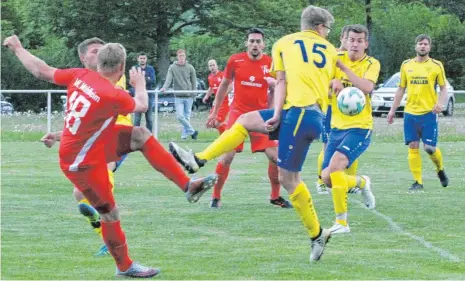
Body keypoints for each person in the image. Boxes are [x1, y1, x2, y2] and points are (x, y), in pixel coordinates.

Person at [4, 35, 217, 278]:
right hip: (82, 164)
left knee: (140, 134)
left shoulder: (79, 75)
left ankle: (188, 186)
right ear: (122, 68)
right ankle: (124, 266)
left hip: (88, 146)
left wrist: (19, 48)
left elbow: (41, 70)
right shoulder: (112, 94)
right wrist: (139, 84)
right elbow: (142, 105)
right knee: (110, 214)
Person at [170, 5, 337, 261]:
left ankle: (317, 234)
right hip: (307, 113)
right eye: (327, 28)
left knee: (289, 179)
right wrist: (279, 112)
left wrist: (277, 111)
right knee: (245, 121)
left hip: (299, 113)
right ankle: (198, 159)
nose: (327, 33)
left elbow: (281, 82)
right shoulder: (331, 49)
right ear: (319, 27)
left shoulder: (283, 43)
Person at [170, 28, 291, 209]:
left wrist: (274, 112)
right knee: (227, 157)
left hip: (261, 115)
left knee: (275, 157)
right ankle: (216, 197)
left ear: (264, 44)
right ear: (246, 43)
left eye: (258, 41)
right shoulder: (236, 60)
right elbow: (224, 86)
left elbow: (277, 89)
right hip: (239, 114)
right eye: (252, 41)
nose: (255, 44)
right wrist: (214, 112)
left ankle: (275, 197)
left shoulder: (271, 63)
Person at [320, 24, 378, 235]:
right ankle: (362, 182)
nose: (355, 44)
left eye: (359, 40)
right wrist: (332, 83)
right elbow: (322, 86)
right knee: (327, 177)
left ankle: (341, 223)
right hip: (337, 127)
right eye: (351, 40)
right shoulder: (333, 58)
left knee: (335, 169)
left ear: (366, 44)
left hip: (360, 128)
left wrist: (343, 69)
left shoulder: (372, 63)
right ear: (345, 40)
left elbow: (367, 87)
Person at [387, 34, 449, 191]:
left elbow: (443, 88)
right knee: (413, 146)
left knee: (429, 148)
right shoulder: (406, 65)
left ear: (429, 47)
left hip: (428, 113)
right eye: (420, 44)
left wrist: (440, 104)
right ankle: (418, 182)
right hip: (410, 113)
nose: (423, 46)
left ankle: (440, 169)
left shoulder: (436, 65)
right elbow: (401, 88)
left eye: (426, 44)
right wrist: (392, 110)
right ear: (416, 46)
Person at [315, 24, 356, 195]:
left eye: (353, 39)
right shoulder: (331, 58)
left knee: (350, 148)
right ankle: (321, 180)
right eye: (347, 39)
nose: (350, 43)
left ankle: (350, 182)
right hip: (331, 109)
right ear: (341, 39)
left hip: (351, 113)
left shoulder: (357, 61)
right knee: (327, 146)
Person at [160, 49, 198, 139]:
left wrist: (194, 95)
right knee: (180, 116)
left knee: (187, 116)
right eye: (180, 56)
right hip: (178, 96)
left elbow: (193, 82)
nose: (181, 58)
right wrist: (164, 87)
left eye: (183, 56)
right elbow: (168, 79)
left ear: (185, 57)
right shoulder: (172, 67)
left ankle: (184, 136)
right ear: (177, 57)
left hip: (189, 96)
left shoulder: (190, 67)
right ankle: (192, 132)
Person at [203, 59, 232, 134]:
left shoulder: (222, 75)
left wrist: (221, 95)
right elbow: (211, 87)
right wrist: (206, 96)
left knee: (217, 123)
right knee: (211, 122)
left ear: (217, 66)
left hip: (224, 102)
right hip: (217, 103)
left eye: (213, 65)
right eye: (210, 66)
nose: (212, 67)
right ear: (208, 67)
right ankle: (226, 135)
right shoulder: (210, 77)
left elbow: (231, 86)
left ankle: (227, 136)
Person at [132, 52, 156, 133]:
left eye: (144, 58)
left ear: (146, 59)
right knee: (137, 119)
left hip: (148, 96)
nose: (142, 60)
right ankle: (135, 136)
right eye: (141, 58)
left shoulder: (150, 69)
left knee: (149, 118)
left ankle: (149, 136)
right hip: (138, 97)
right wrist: (146, 78)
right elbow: (132, 81)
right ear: (138, 59)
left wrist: (141, 79)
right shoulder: (134, 68)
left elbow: (153, 81)